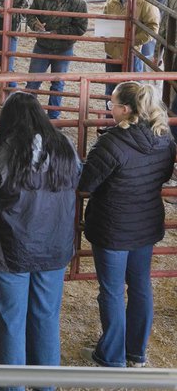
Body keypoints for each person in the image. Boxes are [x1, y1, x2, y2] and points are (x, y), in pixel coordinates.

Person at [0, 92, 80, 391]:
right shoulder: (66, 147)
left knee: (9, 320)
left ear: (8, 120)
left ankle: (9, 385)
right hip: (54, 247)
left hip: (9, 250)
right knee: (46, 317)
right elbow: (77, 183)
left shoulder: (0, 155)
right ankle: (45, 384)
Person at [79, 82, 175, 368]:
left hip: (112, 227)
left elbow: (86, 184)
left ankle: (111, 357)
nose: (110, 110)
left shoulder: (112, 142)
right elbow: (164, 175)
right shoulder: (164, 136)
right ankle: (136, 354)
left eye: (112, 105)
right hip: (145, 223)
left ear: (126, 109)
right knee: (141, 286)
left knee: (111, 291)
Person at [25, 0, 88, 119]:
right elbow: (30, 14)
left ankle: (53, 117)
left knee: (58, 82)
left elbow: (81, 27)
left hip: (64, 47)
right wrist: (36, 24)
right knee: (33, 81)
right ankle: (26, 115)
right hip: (42, 44)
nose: (58, 0)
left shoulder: (78, 2)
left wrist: (58, 32)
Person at [102, 0, 159, 98]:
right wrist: (104, 31)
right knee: (110, 90)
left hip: (131, 53)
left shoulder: (144, 2)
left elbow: (152, 27)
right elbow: (105, 16)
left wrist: (132, 40)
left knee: (132, 91)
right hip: (112, 52)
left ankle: (131, 117)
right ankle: (109, 117)